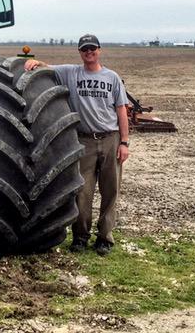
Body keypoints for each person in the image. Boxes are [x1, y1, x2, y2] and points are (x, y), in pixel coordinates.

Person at [24, 34, 129, 255]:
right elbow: (48, 68)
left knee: (111, 191)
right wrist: (35, 63)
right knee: (82, 191)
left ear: (99, 50)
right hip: (83, 140)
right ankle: (80, 237)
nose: (88, 52)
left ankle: (105, 238)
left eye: (92, 48)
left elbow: (121, 111)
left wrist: (124, 143)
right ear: (80, 53)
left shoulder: (112, 77)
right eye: (84, 49)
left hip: (110, 138)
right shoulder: (71, 72)